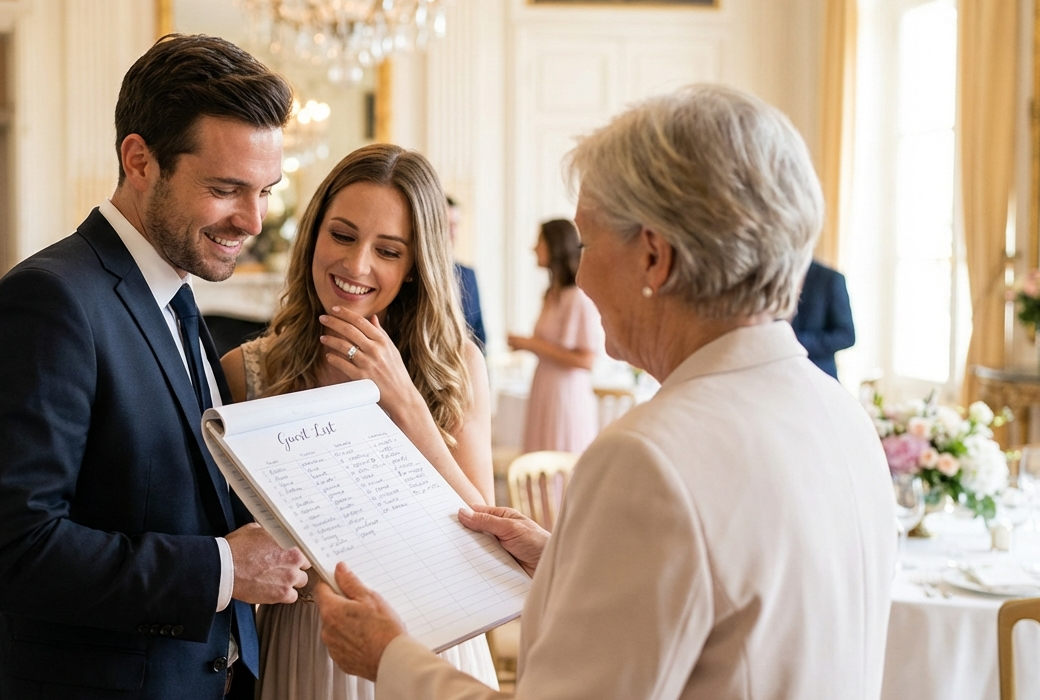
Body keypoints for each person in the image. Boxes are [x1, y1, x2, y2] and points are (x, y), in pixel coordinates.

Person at [313, 84, 896, 700]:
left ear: (653, 258)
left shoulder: (649, 459)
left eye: (586, 241)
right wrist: (563, 563)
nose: (581, 275)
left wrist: (390, 657)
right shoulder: (841, 415)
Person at [0, 35, 310, 700]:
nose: (254, 219)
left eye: (266, 190)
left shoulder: (174, 296)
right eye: (226, 189)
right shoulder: (49, 302)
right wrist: (223, 570)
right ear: (140, 160)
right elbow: (7, 553)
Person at [219, 144, 498, 700]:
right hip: (299, 646)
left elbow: (491, 538)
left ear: (415, 265)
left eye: (388, 250)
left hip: (428, 645)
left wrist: (405, 403)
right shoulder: (245, 372)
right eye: (343, 236)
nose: (357, 265)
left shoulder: (458, 365)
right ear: (314, 234)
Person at [507, 218, 604, 453]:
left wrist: (532, 344)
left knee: (559, 455)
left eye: (540, 241)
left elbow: (586, 360)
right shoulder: (551, 294)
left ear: (555, 245)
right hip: (545, 388)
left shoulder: (579, 298)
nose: (534, 248)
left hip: (566, 395)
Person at [791, 259, 855, 379]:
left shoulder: (830, 279)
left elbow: (846, 335)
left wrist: (797, 341)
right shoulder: (769, 276)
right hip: (780, 378)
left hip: (821, 376)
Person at [446, 196, 487, 349]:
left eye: (455, 225)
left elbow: (479, 330)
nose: (452, 232)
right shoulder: (414, 275)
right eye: (446, 224)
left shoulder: (468, 274)